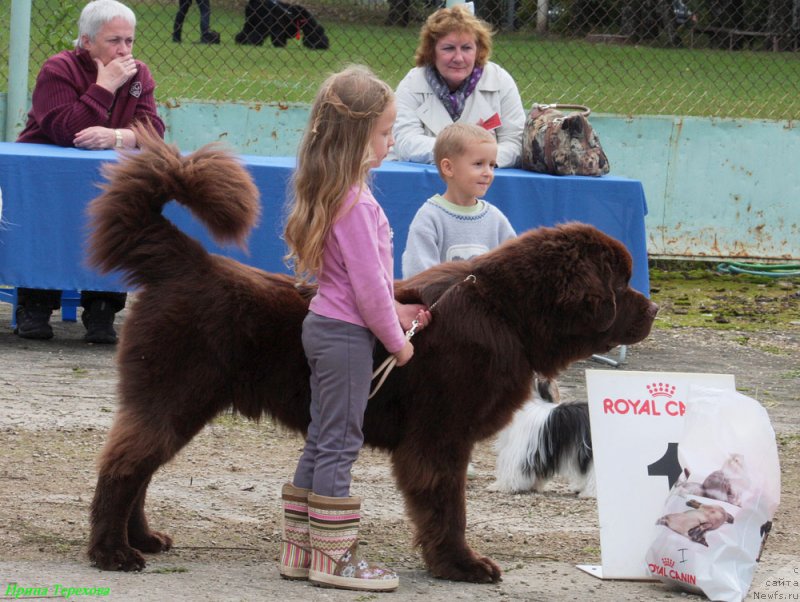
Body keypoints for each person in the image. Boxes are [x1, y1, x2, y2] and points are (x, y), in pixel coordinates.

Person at [281, 65, 431, 592]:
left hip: (325, 325)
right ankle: (333, 559)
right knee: (341, 442)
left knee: (322, 438)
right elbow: (368, 293)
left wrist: (397, 311)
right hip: (346, 336)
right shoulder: (360, 205)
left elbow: (359, 284)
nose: (391, 142)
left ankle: (300, 549)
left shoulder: (335, 194)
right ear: (357, 137)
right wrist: (398, 341)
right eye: (386, 132)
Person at [15, 0, 166, 343]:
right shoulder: (58, 68)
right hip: (48, 177)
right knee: (48, 220)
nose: (124, 50)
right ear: (87, 41)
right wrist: (105, 86)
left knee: (122, 217)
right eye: (114, 41)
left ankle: (102, 307)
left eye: (129, 41)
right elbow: (64, 131)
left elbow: (154, 130)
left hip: (106, 178)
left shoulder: (138, 73)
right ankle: (35, 305)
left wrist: (116, 136)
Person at [401, 122, 515, 479]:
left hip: (481, 336)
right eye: (479, 164)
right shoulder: (430, 217)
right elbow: (421, 277)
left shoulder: (494, 219)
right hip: (441, 331)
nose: (488, 173)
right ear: (448, 168)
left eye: (493, 165)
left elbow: (510, 270)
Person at [392, 4, 526, 169]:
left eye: (466, 48)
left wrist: (476, 161)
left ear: (478, 50)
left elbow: (515, 143)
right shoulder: (412, 83)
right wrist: (465, 152)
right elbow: (404, 142)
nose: (458, 58)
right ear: (431, 51)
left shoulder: (500, 81)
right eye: (448, 48)